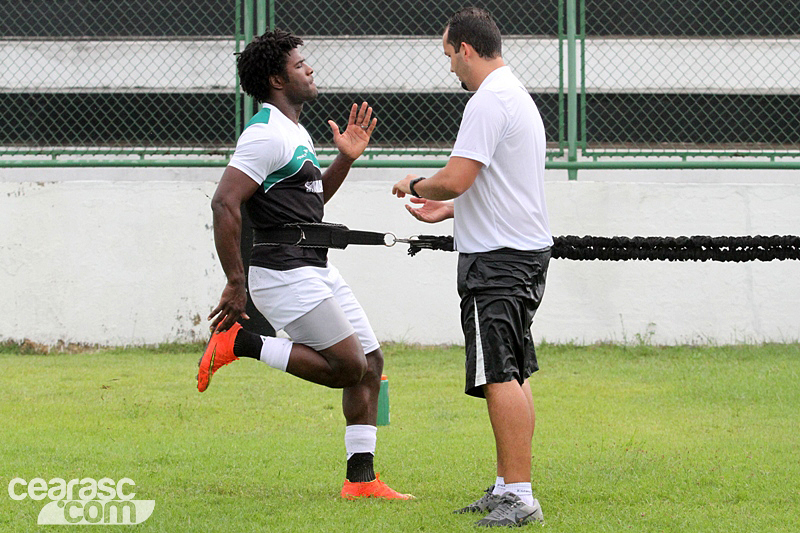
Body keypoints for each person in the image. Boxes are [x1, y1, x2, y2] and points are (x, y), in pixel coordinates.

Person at [198, 29, 412, 501]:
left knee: (372, 363)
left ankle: (362, 481)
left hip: (313, 266)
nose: (310, 69)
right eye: (300, 64)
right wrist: (237, 282)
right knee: (348, 366)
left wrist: (345, 160)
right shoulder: (265, 134)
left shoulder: (295, 131)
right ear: (277, 78)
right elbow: (224, 203)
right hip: (282, 273)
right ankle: (242, 343)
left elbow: (310, 205)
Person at [392, 7, 551, 527]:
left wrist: (417, 186)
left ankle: (520, 497)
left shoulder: (487, 101)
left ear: (465, 48)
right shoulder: (516, 95)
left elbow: (457, 177)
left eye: (449, 57)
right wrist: (448, 210)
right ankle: (509, 485)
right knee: (513, 369)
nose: (451, 69)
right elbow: (496, 185)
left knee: (499, 374)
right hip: (521, 255)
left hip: (498, 261)